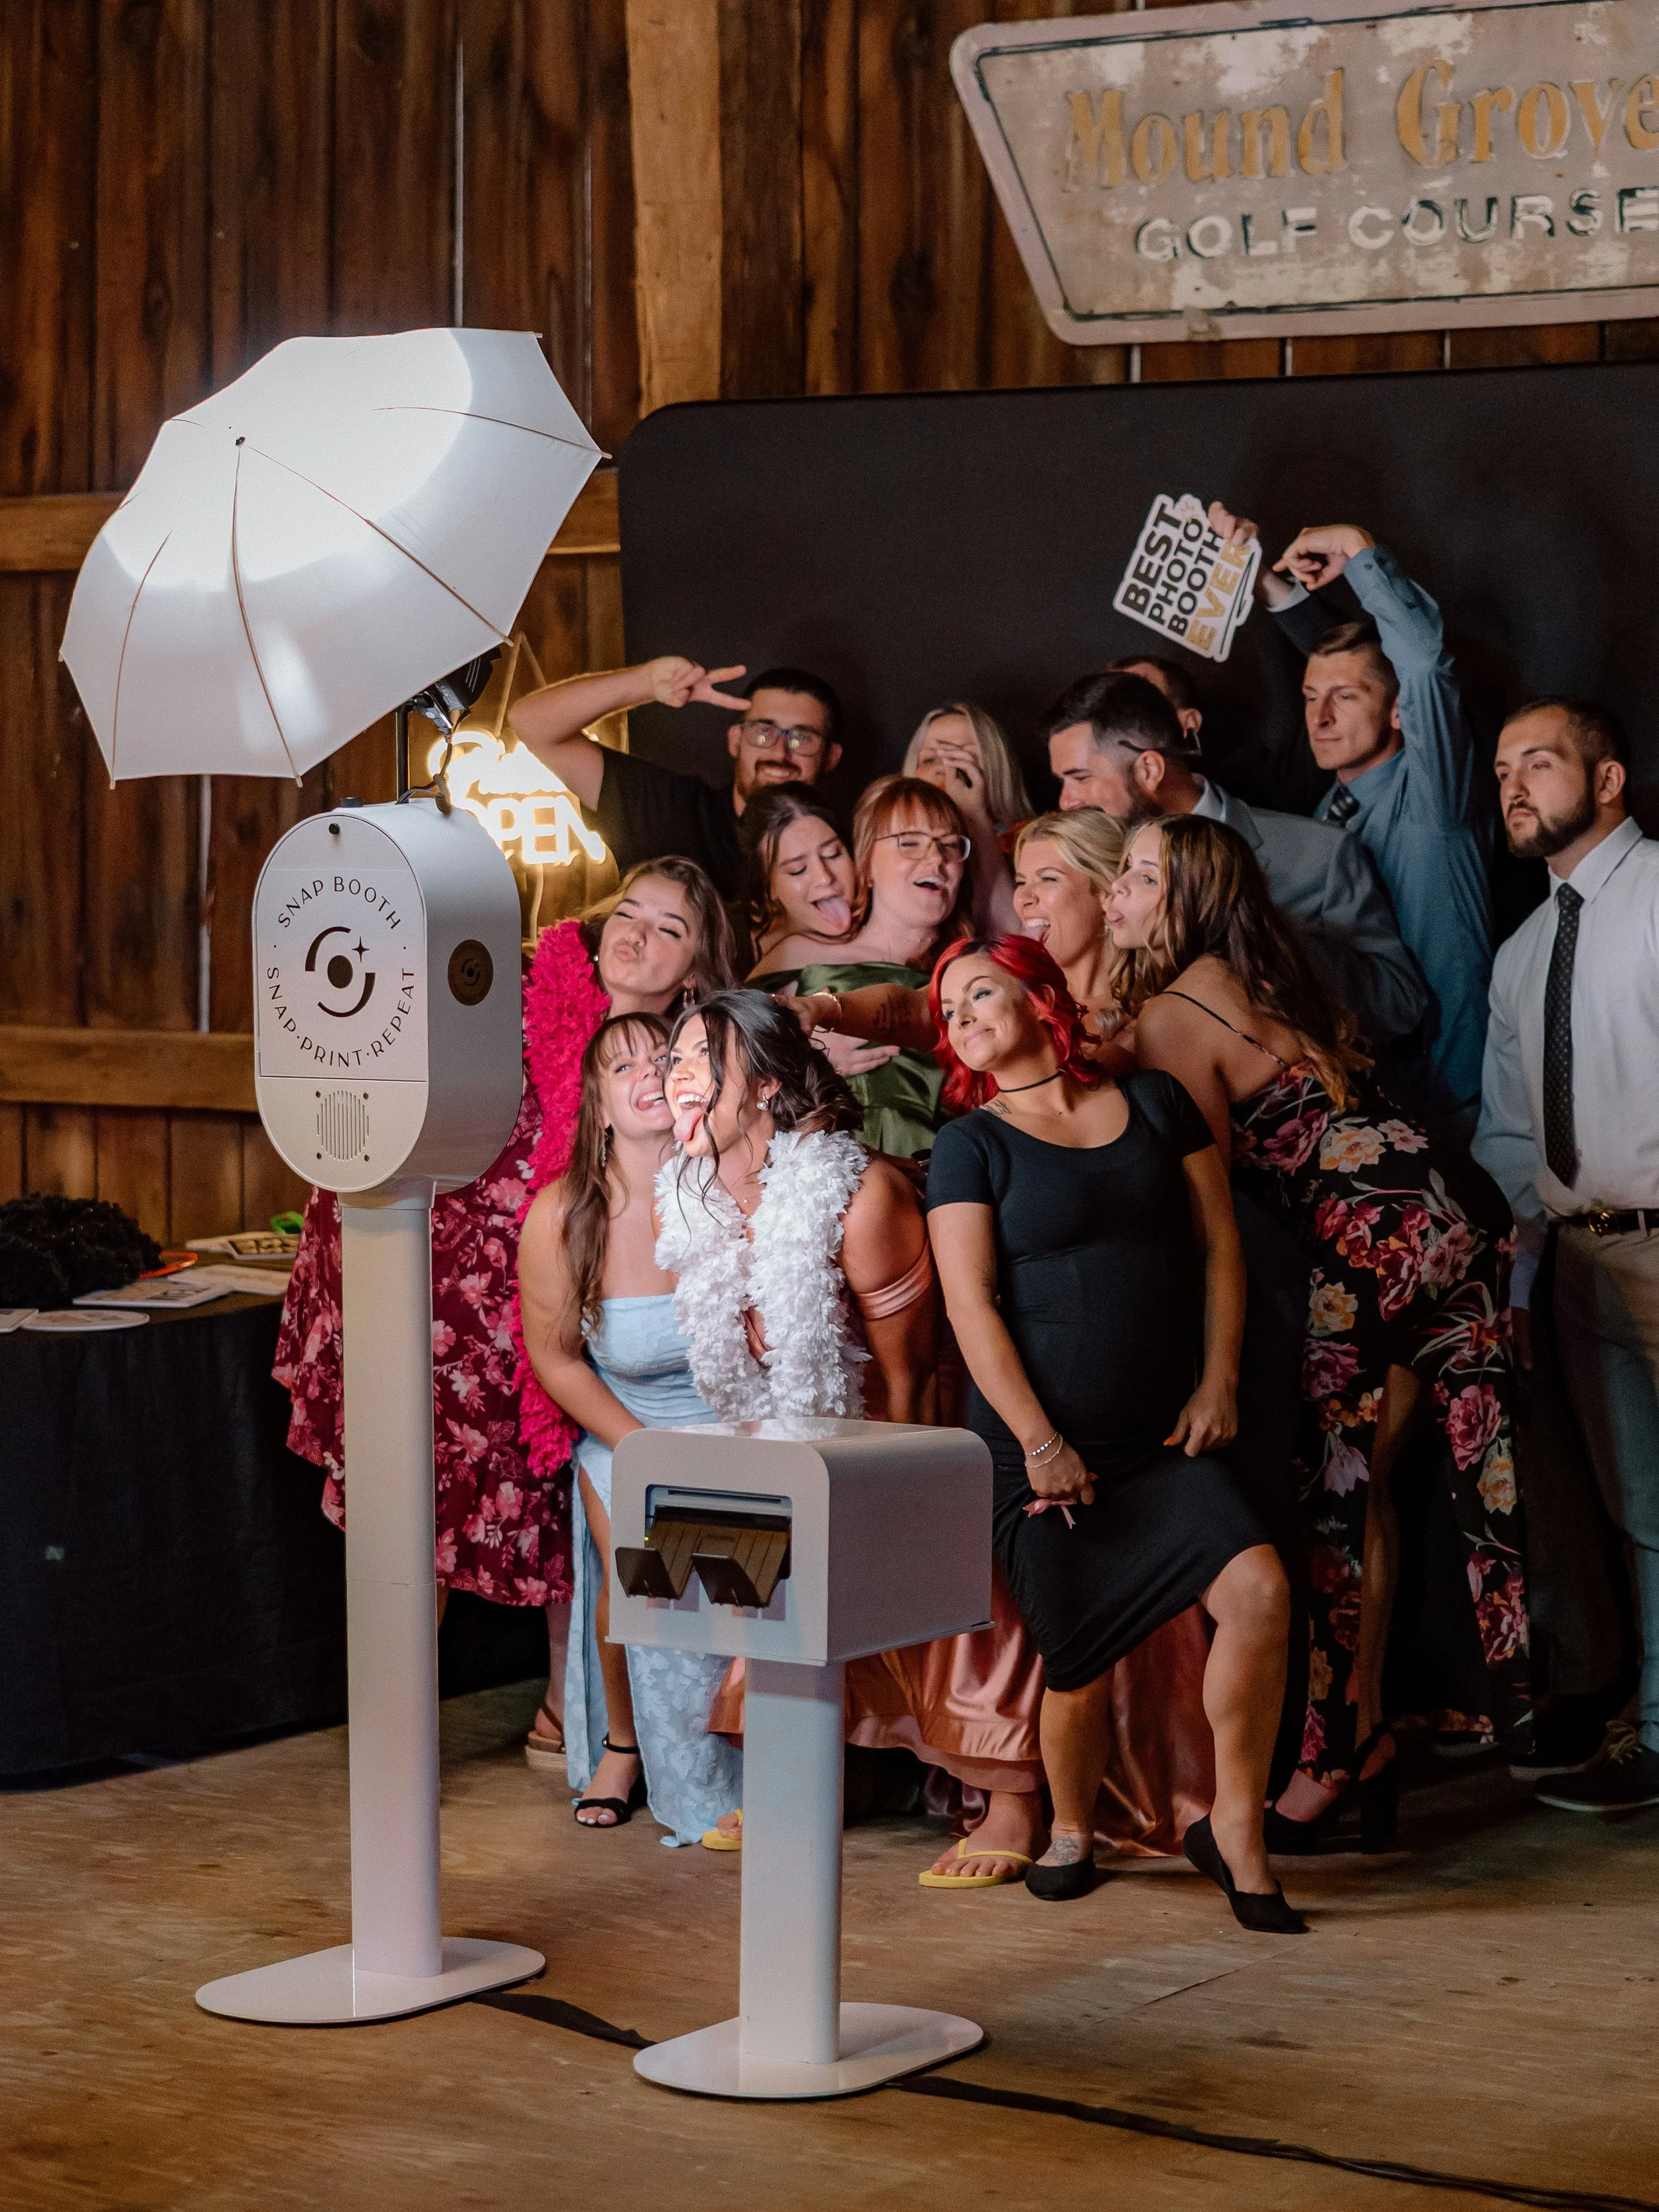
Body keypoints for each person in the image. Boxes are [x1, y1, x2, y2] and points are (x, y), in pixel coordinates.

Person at [1110, 814, 1529, 1846]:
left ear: (1186, 897)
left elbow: (1209, 1201)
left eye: (1140, 875)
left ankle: (1326, 1763)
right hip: (1453, 1213)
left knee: (1334, 1499)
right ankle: (1390, 1735)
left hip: (1372, 1244)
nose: (1117, 889)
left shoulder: (1172, 1011)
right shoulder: (1269, 972)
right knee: (1429, 1489)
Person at [274, 855, 737, 1773]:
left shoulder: (689, 1060)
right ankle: (395, 1728)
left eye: (669, 928)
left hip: (576, 1282)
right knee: (420, 1491)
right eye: (628, 912)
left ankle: (575, 1713)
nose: (636, 935)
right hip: (449, 1283)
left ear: (694, 969)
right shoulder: (513, 995)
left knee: (559, 1486)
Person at [925, 934, 1303, 1929]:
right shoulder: (971, 1144)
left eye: (979, 992)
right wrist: (1041, 1443)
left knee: (1260, 1592)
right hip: (1035, 1450)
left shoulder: (1155, 1103)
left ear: (1038, 995)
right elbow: (970, 1307)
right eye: (949, 1010)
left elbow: (1220, 1246)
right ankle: (1070, 1829)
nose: (961, 1018)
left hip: (1160, 1440)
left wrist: (1218, 1380)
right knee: (1079, 1662)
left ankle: (1236, 1829)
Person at [658, 989, 1050, 1884]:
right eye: (672, 1058)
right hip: (796, 1449)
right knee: (757, 1539)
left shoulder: (860, 1197)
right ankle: (813, 1769)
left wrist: (896, 1506)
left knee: (943, 1557)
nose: (677, 1076)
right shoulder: (692, 1202)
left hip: (920, 1432)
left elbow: (916, 1380)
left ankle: (1013, 1792)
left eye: (701, 1058)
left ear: (764, 1084)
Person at [1474, 698, 1659, 1812]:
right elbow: (1508, 1138)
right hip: (1583, 1266)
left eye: (1537, 763)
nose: (1513, 784)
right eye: (1503, 768)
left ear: (1607, 779)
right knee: (1641, 1506)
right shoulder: (1524, 951)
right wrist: (1521, 1278)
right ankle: (1658, 1730)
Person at [517, 1013, 743, 1840]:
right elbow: (556, 1360)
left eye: (666, 1057)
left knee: (755, 1584)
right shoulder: (562, 1215)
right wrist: (644, 1449)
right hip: (629, 1427)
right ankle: (624, 1742)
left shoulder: (733, 1186)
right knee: (633, 1567)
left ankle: (757, 1750)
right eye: (624, 1066)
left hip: (736, 1427)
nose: (651, 1072)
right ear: (598, 1108)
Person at [1213, 506, 1493, 1130]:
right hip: (1364, 1111)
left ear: (1398, 712)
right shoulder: (1319, 816)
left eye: (1344, 698)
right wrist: (1264, 585)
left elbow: (1420, 667)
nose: (1321, 718)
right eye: (1311, 697)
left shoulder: (1435, 799)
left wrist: (1357, 547)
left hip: (1457, 1108)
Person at [1043, 670, 1428, 1059]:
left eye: (1080, 778)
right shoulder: (1097, 871)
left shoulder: (1320, 853)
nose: (1066, 801)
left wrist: (1268, 936)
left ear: (1149, 770)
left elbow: (1401, 1003)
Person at [765, 774, 977, 1160]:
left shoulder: (974, 970)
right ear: (865, 865)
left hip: (946, 1168)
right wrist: (805, 1060)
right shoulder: (801, 955)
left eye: (950, 845)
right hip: (828, 1170)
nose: (936, 858)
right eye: (910, 842)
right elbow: (729, 1053)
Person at [511, 657, 843, 901]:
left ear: (832, 756)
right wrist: (644, 682)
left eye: (802, 738)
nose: (780, 753)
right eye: (763, 732)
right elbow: (531, 723)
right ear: (735, 741)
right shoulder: (671, 810)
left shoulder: (850, 853)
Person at [1011, 809, 1132, 1057]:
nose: (1023, 898)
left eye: (1048, 879)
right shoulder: (1012, 1006)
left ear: (1107, 894)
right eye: (1021, 882)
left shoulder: (1153, 1014)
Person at [904, 702, 1030, 934]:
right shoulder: (892, 842)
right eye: (930, 760)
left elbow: (1010, 937)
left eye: (963, 758)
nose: (945, 769)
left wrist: (974, 817)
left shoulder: (1029, 842)